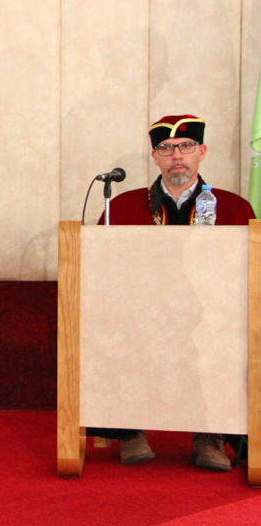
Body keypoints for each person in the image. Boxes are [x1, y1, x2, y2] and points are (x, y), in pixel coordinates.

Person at [93, 114, 254, 471]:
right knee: (114, 328)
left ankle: (210, 435)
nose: (176, 155)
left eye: (186, 146)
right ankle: (129, 430)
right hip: (143, 314)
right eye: (166, 148)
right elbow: (102, 273)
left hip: (210, 314)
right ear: (154, 157)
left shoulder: (233, 208)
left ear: (202, 152)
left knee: (225, 337)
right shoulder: (122, 207)